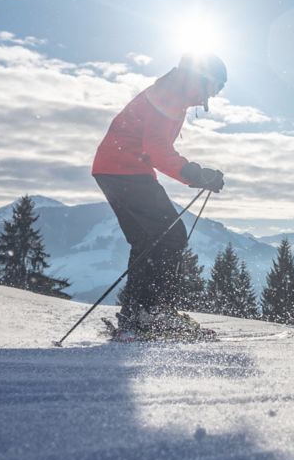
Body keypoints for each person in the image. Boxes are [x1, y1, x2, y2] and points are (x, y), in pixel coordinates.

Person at [91, 53, 228, 339]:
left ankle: (136, 315)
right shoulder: (170, 96)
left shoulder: (171, 91)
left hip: (113, 168)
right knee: (171, 234)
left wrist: (194, 174)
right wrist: (195, 174)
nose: (215, 95)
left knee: (145, 240)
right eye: (217, 87)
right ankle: (155, 313)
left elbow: (153, 147)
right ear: (205, 79)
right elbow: (156, 148)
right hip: (125, 169)